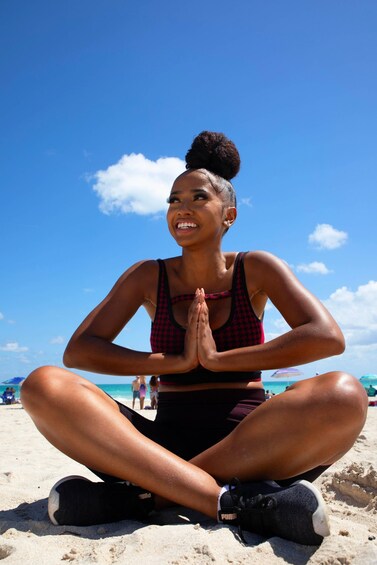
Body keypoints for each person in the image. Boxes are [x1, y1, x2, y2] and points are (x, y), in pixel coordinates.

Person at [21, 131, 368, 546]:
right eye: (173, 199)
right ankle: (230, 500)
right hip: (157, 446)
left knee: (346, 393)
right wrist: (175, 363)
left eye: (198, 197)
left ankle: (149, 496)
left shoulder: (255, 268)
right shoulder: (148, 275)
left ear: (229, 215)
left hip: (253, 445)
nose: (181, 208)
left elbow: (327, 338)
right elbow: (79, 351)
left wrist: (220, 360)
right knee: (42, 384)